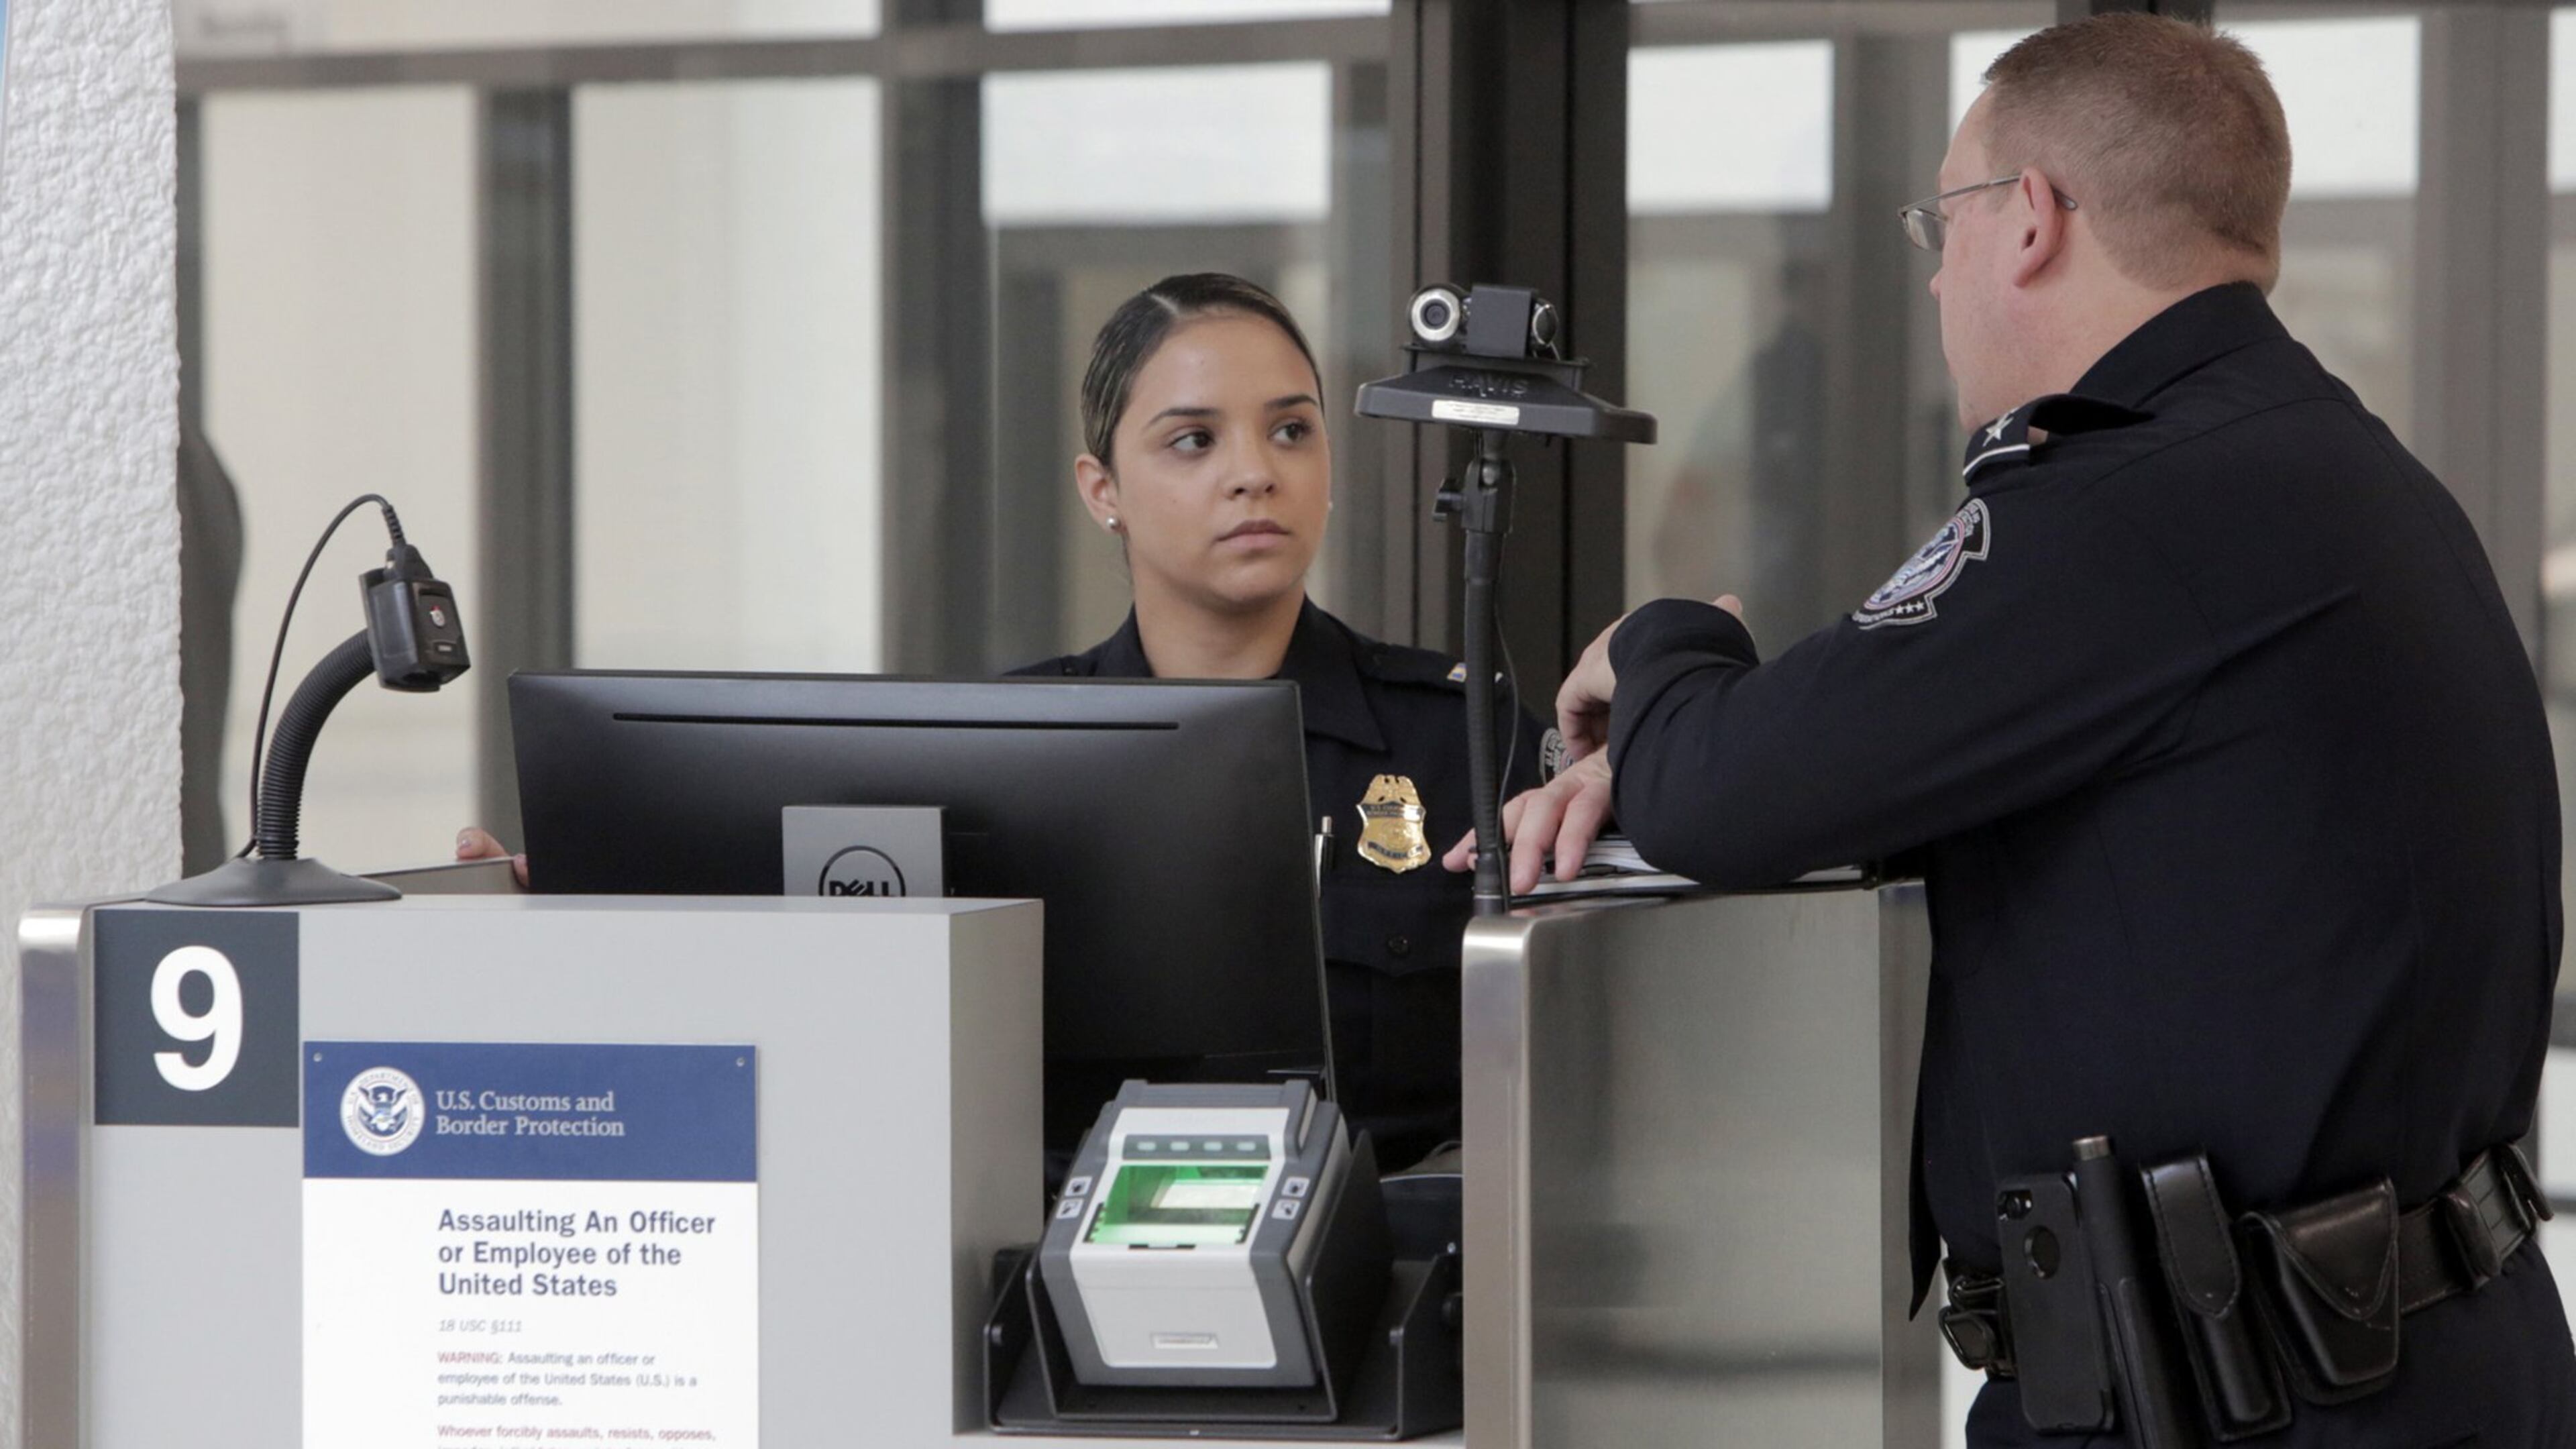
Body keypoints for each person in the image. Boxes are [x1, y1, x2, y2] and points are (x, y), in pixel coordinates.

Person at [1470, 15, 2573, 1444]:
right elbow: (1948, 768)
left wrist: (1665, 646)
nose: (1938, 272)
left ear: (2032, 220)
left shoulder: (2130, 504)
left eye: (1947, 221)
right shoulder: (2329, 470)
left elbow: (1738, 791)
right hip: (2391, 1362)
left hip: (2250, 1398)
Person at [1014, 272, 1540, 1173]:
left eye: (1292, 431)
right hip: (1066, 1278)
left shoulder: (1464, 745)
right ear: (1102, 490)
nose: (1256, 472)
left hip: (1393, 1280)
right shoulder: (1018, 753)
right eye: (1193, 440)